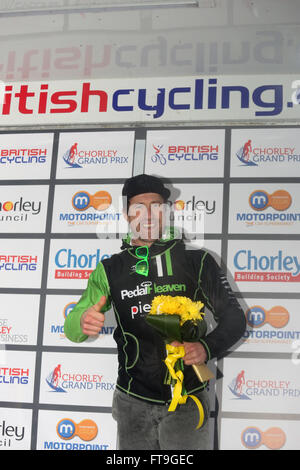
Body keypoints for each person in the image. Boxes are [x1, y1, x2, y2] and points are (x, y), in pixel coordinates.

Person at [64, 173, 246, 450]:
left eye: (156, 206)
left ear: (167, 211)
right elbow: (72, 329)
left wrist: (206, 347)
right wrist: (82, 321)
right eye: (138, 208)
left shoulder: (197, 261)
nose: (147, 215)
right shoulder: (110, 269)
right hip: (131, 401)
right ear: (127, 215)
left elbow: (234, 319)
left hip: (188, 401)